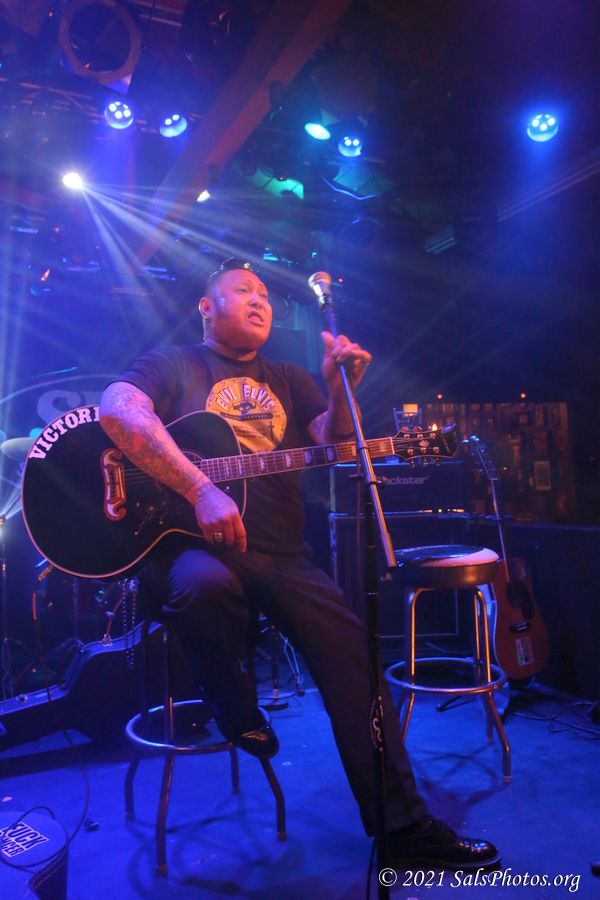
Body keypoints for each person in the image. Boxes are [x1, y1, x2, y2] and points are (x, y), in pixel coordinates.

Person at [99, 257, 500, 870]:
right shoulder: (173, 364)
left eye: (266, 294)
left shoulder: (287, 376)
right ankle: (234, 707)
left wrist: (339, 389)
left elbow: (331, 441)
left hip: (281, 552)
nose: (260, 299)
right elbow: (118, 410)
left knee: (354, 660)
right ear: (206, 307)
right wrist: (201, 490)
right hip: (188, 547)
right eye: (243, 289)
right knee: (203, 586)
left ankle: (404, 829)